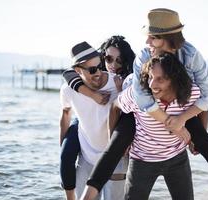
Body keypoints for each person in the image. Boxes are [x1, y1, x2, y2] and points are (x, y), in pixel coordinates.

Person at [64, 8, 208, 200]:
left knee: (206, 142)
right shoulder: (144, 58)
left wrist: (188, 127)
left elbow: (206, 98)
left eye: (152, 37)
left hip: (175, 101)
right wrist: (176, 126)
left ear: (168, 38)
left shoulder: (190, 56)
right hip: (138, 104)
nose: (147, 42)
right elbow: (141, 98)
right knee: (117, 144)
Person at [85, 52, 198, 200]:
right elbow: (115, 107)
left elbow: (203, 107)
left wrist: (196, 138)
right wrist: (114, 140)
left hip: (177, 157)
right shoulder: (137, 95)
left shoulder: (190, 93)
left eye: (160, 79)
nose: (152, 84)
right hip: (142, 160)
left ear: (174, 80)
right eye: (150, 77)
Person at [59, 41, 129, 200]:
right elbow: (65, 114)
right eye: (92, 70)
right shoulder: (69, 90)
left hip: (116, 158)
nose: (98, 73)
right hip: (87, 157)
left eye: (99, 66)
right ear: (77, 71)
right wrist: (63, 146)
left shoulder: (118, 83)